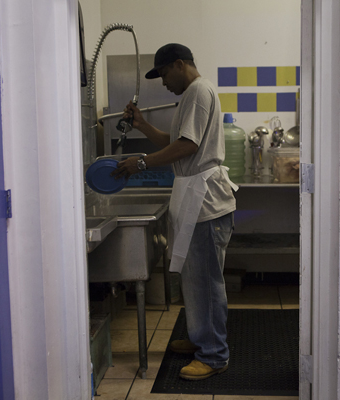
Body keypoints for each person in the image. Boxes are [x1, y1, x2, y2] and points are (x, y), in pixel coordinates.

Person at [113, 43, 237, 381]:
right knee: (195, 280)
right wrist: (141, 125)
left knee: (206, 283)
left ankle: (214, 355)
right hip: (197, 199)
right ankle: (201, 339)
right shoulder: (194, 95)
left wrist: (140, 162)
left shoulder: (197, 91)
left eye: (165, 74)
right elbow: (173, 140)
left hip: (206, 204)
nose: (164, 82)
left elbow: (188, 146)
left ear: (180, 65)